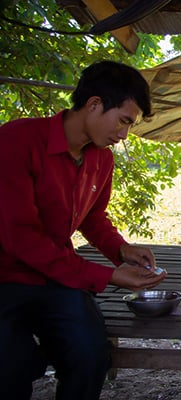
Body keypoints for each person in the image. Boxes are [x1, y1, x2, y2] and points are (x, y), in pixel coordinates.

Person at [0, 60, 167, 400]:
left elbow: (92, 218)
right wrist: (109, 276)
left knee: (91, 356)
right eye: (123, 121)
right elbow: (21, 238)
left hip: (56, 279)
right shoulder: (16, 140)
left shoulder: (101, 159)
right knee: (11, 368)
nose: (123, 135)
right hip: (5, 278)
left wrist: (121, 250)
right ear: (93, 104)